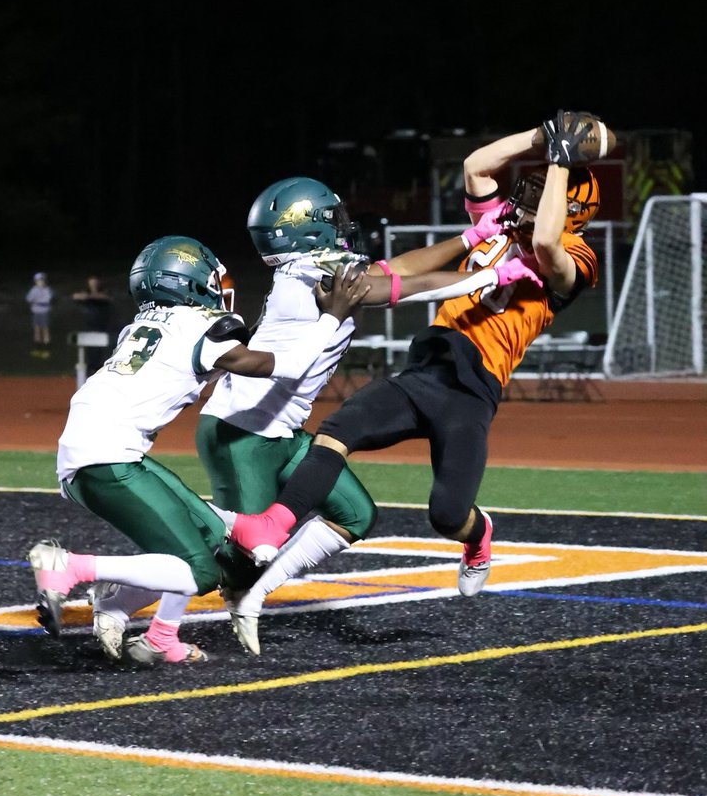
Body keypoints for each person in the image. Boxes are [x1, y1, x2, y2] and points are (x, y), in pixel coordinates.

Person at [87, 178, 541, 659]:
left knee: (354, 513)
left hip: (278, 427)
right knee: (235, 563)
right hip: (244, 432)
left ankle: (249, 595)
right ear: (304, 229)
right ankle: (120, 598)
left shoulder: (316, 267)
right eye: (331, 219)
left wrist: (471, 239)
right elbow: (408, 286)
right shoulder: (316, 273)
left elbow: (396, 268)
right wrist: (491, 275)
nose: (342, 227)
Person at [227, 113, 602, 629]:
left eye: (545, 191)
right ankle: (275, 522)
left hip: (473, 391)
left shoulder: (575, 256)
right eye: (532, 187)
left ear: (572, 211)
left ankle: (477, 535)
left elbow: (544, 245)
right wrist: (543, 137)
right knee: (340, 428)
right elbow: (476, 165)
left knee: (447, 514)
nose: (529, 196)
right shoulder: (499, 227)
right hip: (428, 364)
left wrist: (561, 160)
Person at [27, 233, 370, 666]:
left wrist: (246, 524)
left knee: (211, 535)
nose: (219, 287)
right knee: (199, 570)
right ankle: (74, 567)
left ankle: (163, 638)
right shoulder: (200, 328)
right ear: (188, 282)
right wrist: (332, 318)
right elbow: (288, 368)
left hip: (106, 451)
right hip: (108, 457)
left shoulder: (141, 325)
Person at [72, 276, 114, 375]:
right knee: (90, 350)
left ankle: (101, 368)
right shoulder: (85, 291)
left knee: (102, 349)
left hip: (102, 325)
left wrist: (90, 296)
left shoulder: (103, 291)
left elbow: (106, 297)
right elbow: (76, 296)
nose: (93, 284)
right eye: (91, 282)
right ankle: (91, 368)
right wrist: (88, 296)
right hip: (89, 325)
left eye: (94, 282)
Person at [26, 271, 54, 356]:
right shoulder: (33, 290)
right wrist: (37, 300)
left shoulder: (48, 290)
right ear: (35, 281)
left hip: (45, 312)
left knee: (45, 330)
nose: (40, 282)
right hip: (36, 313)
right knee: (37, 330)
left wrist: (36, 301)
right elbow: (28, 299)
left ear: (45, 281)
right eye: (38, 280)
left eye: (42, 280)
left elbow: (47, 300)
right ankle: (38, 349)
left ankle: (47, 349)